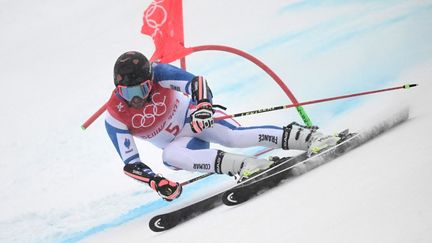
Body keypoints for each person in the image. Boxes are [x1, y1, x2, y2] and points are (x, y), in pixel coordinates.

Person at [105, 51, 340, 201]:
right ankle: (246, 166)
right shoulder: (115, 115)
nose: (136, 99)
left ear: (150, 81)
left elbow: (196, 83)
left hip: (194, 119)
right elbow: (131, 164)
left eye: (142, 90)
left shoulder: (159, 73)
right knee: (171, 156)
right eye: (128, 93)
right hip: (182, 142)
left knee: (232, 138)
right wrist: (157, 182)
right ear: (118, 90)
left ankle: (309, 138)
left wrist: (203, 107)